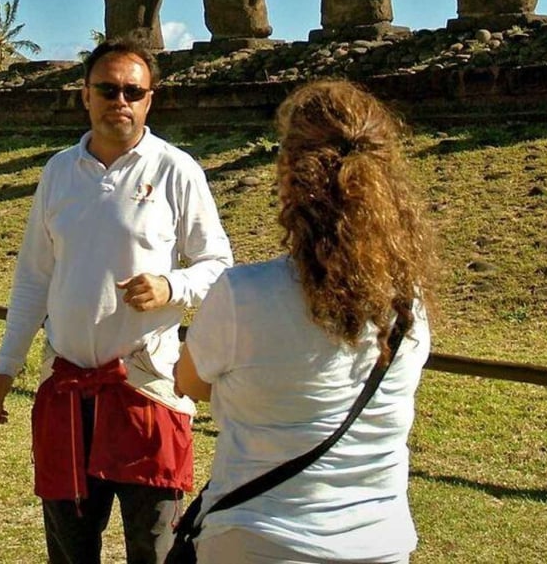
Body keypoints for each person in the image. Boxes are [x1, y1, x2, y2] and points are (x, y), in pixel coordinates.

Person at [0, 37, 233, 564]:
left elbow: (218, 266)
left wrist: (173, 286)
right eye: (108, 89)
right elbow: (33, 277)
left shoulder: (175, 169)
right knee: (71, 552)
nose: (120, 100)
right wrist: (7, 365)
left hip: (145, 389)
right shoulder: (58, 172)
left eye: (132, 91)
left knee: (153, 548)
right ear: (85, 96)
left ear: (149, 100)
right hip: (67, 389)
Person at [175, 80, 435, 564]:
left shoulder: (241, 296)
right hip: (380, 542)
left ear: (290, 176)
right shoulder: (409, 306)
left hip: (257, 538)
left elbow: (187, 381)